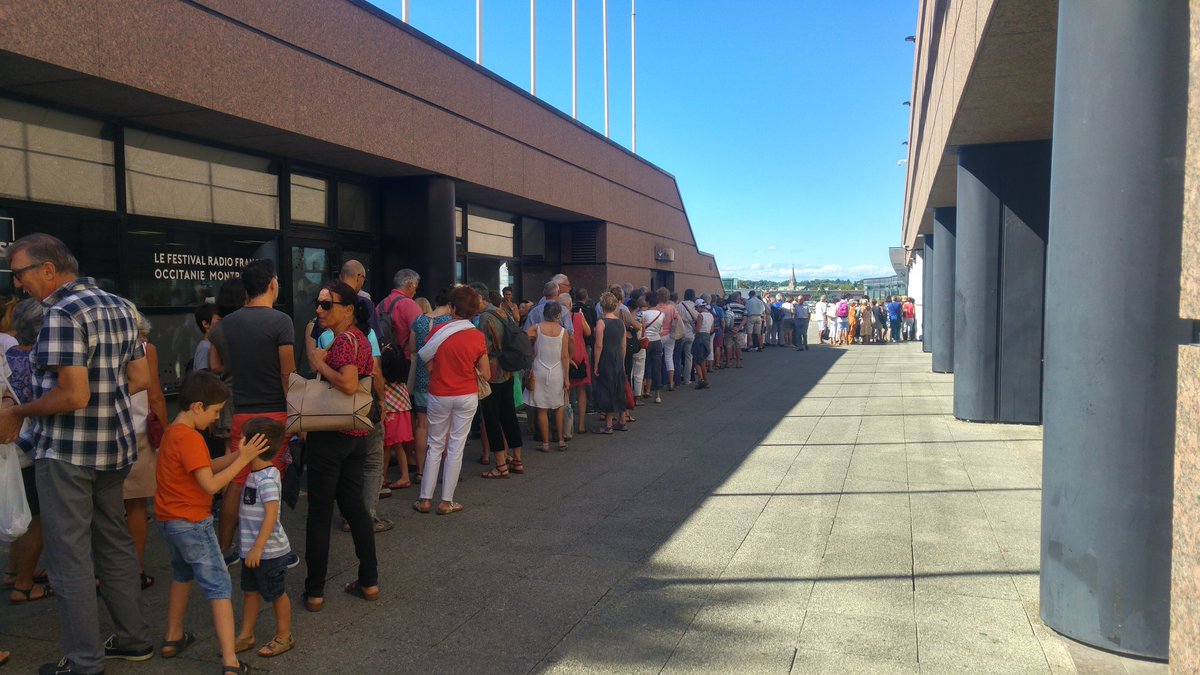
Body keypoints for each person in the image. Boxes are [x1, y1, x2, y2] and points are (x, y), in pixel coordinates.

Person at [0, 234, 154, 675]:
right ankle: (133, 639)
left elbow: (73, 395)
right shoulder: (122, 305)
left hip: (67, 452)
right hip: (116, 445)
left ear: (48, 270)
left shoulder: (60, 313)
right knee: (115, 544)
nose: (18, 284)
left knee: (69, 558)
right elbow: (140, 377)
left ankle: (85, 660)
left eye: (20, 274)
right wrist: (102, 394)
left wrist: (17, 411)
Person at [155, 370, 266, 674]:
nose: (217, 419)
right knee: (219, 585)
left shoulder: (173, 433)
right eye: (216, 412)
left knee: (181, 573)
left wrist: (236, 455)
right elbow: (210, 485)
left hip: (169, 521)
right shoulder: (190, 438)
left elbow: (204, 467)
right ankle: (230, 661)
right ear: (197, 407)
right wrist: (244, 461)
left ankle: (172, 637)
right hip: (193, 522)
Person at [209, 259, 295, 563]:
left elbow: (215, 366)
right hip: (275, 413)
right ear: (272, 283)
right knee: (271, 479)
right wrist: (297, 412)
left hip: (241, 413)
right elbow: (288, 374)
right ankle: (271, 546)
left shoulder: (225, 325)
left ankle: (223, 549)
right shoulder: (281, 321)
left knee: (236, 479)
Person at [302, 281, 380, 611]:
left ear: (348, 309)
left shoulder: (345, 341)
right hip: (353, 435)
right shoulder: (360, 339)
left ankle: (315, 592)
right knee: (354, 508)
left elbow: (348, 384)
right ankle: (369, 580)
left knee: (320, 513)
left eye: (326, 304)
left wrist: (318, 363)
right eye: (318, 304)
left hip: (331, 436)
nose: (319, 310)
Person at [414, 286, 489, 516]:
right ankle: (447, 501)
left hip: (438, 393)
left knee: (435, 444)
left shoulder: (438, 330)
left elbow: (426, 360)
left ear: (453, 308)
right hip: (466, 394)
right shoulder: (477, 336)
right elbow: (485, 373)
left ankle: (425, 499)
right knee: (456, 446)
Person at [234, 417, 294, 659]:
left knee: (275, 593)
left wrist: (258, 548)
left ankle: (284, 635)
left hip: (268, 551)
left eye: (243, 438)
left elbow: (271, 515)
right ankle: (246, 634)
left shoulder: (267, 477)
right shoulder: (254, 472)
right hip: (251, 551)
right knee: (250, 591)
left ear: (255, 445)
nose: (239, 441)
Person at [4, 299, 49, 605]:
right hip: (31, 446)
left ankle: (13, 571)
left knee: (19, 508)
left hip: (10, 447)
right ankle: (23, 584)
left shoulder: (7, 354)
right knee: (36, 518)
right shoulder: (41, 358)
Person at [123, 312, 169, 591]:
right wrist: (165, 436)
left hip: (105, 431)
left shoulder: (97, 344)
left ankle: (100, 571)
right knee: (136, 507)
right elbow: (155, 395)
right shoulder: (144, 349)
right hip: (138, 431)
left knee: (102, 509)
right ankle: (134, 571)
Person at [476, 284, 525, 478]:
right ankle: (518, 460)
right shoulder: (503, 312)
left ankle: (500, 465)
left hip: (493, 372)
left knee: (492, 418)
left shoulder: (485, 318)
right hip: (508, 369)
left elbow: (484, 348)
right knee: (509, 415)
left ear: (480, 298)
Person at [408, 286, 454, 483]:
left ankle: (420, 471)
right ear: (451, 305)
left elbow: (412, 349)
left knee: (422, 424)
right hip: (443, 379)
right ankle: (443, 471)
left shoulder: (419, 320)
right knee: (446, 426)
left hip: (420, 378)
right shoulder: (451, 323)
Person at [527, 300, 570, 451]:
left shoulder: (535, 328)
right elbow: (565, 356)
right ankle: (560, 440)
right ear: (559, 314)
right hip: (557, 371)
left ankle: (545, 443)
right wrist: (567, 377)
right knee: (558, 406)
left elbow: (524, 340)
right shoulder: (563, 332)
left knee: (542, 409)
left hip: (539, 369)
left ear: (544, 313)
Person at [591, 293, 629, 433]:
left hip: (606, 356)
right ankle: (622, 420)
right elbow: (623, 345)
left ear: (602, 306)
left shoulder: (601, 322)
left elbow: (598, 345)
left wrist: (596, 364)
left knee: (606, 386)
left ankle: (608, 424)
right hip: (618, 356)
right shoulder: (620, 322)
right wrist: (623, 361)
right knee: (619, 386)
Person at [380, 346, 414, 489]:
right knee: (397, 446)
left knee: (387, 446)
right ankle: (399, 476)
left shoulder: (383, 381)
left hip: (391, 414)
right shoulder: (401, 381)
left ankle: (384, 477)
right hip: (403, 412)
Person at [568, 288, 594, 434]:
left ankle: (568, 423)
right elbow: (588, 332)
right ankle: (582, 425)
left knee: (567, 391)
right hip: (580, 355)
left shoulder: (559, 317)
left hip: (566, 355)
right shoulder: (578, 316)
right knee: (581, 390)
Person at [640, 296, 667, 403]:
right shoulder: (661, 314)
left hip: (646, 342)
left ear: (647, 302)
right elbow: (661, 331)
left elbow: (642, 328)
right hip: (657, 342)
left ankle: (645, 390)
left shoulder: (643, 314)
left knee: (645, 366)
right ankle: (657, 394)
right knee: (657, 367)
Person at [675, 290, 698, 386]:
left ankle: (677, 376)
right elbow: (697, 318)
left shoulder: (679, 305)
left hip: (680, 333)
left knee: (678, 357)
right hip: (690, 334)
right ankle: (687, 379)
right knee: (689, 357)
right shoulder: (694, 306)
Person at [690, 299, 714, 389]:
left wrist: (692, 324)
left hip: (700, 338)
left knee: (697, 360)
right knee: (702, 360)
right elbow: (711, 330)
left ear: (700, 306)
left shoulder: (700, 316)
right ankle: (704, 380)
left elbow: (697, 330)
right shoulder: (710, 315)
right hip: (707, 337)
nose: (696, 309)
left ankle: (701, 380)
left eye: (696, 307)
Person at [192, 303, 218, 371]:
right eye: (219, 321)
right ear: (205, 324)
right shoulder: (205, 348)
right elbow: (202, 375)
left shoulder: (210, 345)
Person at [724, 293, 746, 367]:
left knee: (728, 346)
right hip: (739, 330)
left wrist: (729, 328)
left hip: (729, 330)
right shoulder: (743, 307)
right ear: (738, 298)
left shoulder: (726, 306)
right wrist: (739, 328)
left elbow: (724, 318)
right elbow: (745, 319)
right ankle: (738, 363)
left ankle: (728, 362)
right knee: (738, 347)